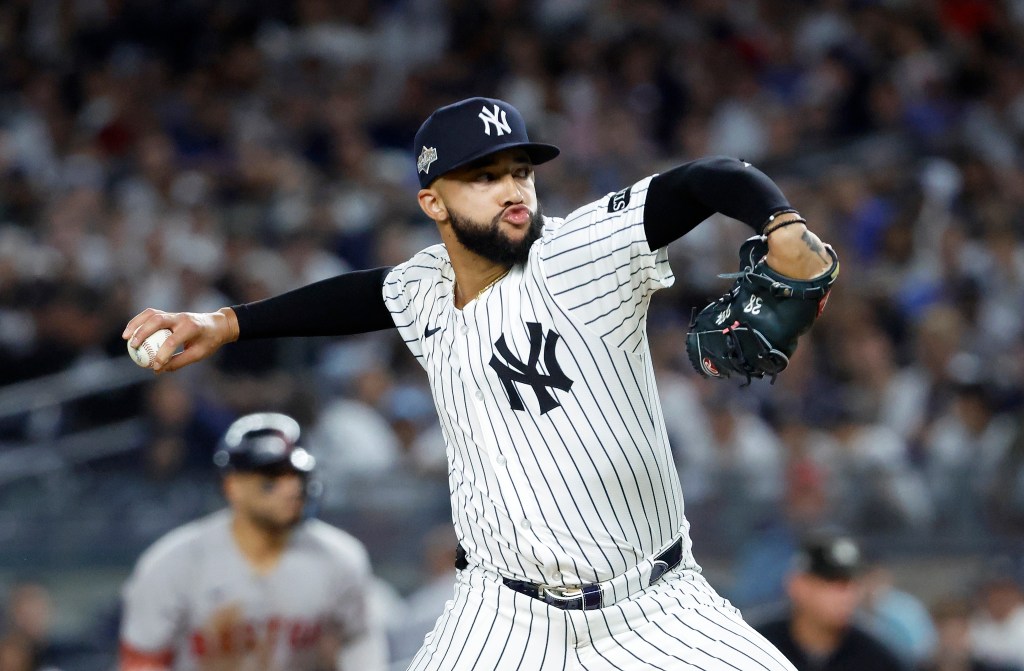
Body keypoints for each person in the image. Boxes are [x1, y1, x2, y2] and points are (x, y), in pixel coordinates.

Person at [124, 96, 836, 670]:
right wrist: (225, 324)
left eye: (520, 170)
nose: (513, 190)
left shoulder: (579, 252)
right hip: (501, 613)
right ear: (433, 202)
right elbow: (356, 298)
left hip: (653, 605)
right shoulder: (425, 287)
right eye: (485, 176)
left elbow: (707, 177)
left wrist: (781, 221)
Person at [118, 412, 387, 671]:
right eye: (271, 477)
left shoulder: (340, 557)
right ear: (232, 486)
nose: (290, 488)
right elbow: (142, 658)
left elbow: (359, 639)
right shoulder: (174, 563)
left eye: (296, 475)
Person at [753, 530, 908, 671]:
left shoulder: (878, 658)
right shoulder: (758, 643)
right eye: (832, 583)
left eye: (851, 584)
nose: (846, 595)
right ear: (798, 585)